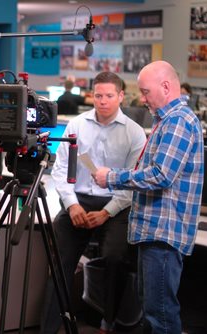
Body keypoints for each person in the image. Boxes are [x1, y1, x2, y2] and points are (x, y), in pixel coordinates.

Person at [93, 60, 204, 333]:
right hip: (154, 232)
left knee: (161, 316)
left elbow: (161, 175)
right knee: (153, 311)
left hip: (163, 234)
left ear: (166, 87)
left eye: (145, 92)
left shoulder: (177, 121)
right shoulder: (167, 121)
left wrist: (113, 177)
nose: (141, 99)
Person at [41, 72, 146, 334]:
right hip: (79, 200)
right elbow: (61, 169)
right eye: (98, 95)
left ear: (121, 96)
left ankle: (108, 322)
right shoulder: (76, 125)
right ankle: (49, 328)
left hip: (116, 203)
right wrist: (72, 204)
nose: (102, 101)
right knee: (60, 260)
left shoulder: (135, 133)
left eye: (109, 96)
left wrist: (106, 212)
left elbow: (133, 182)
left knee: (114, 258)